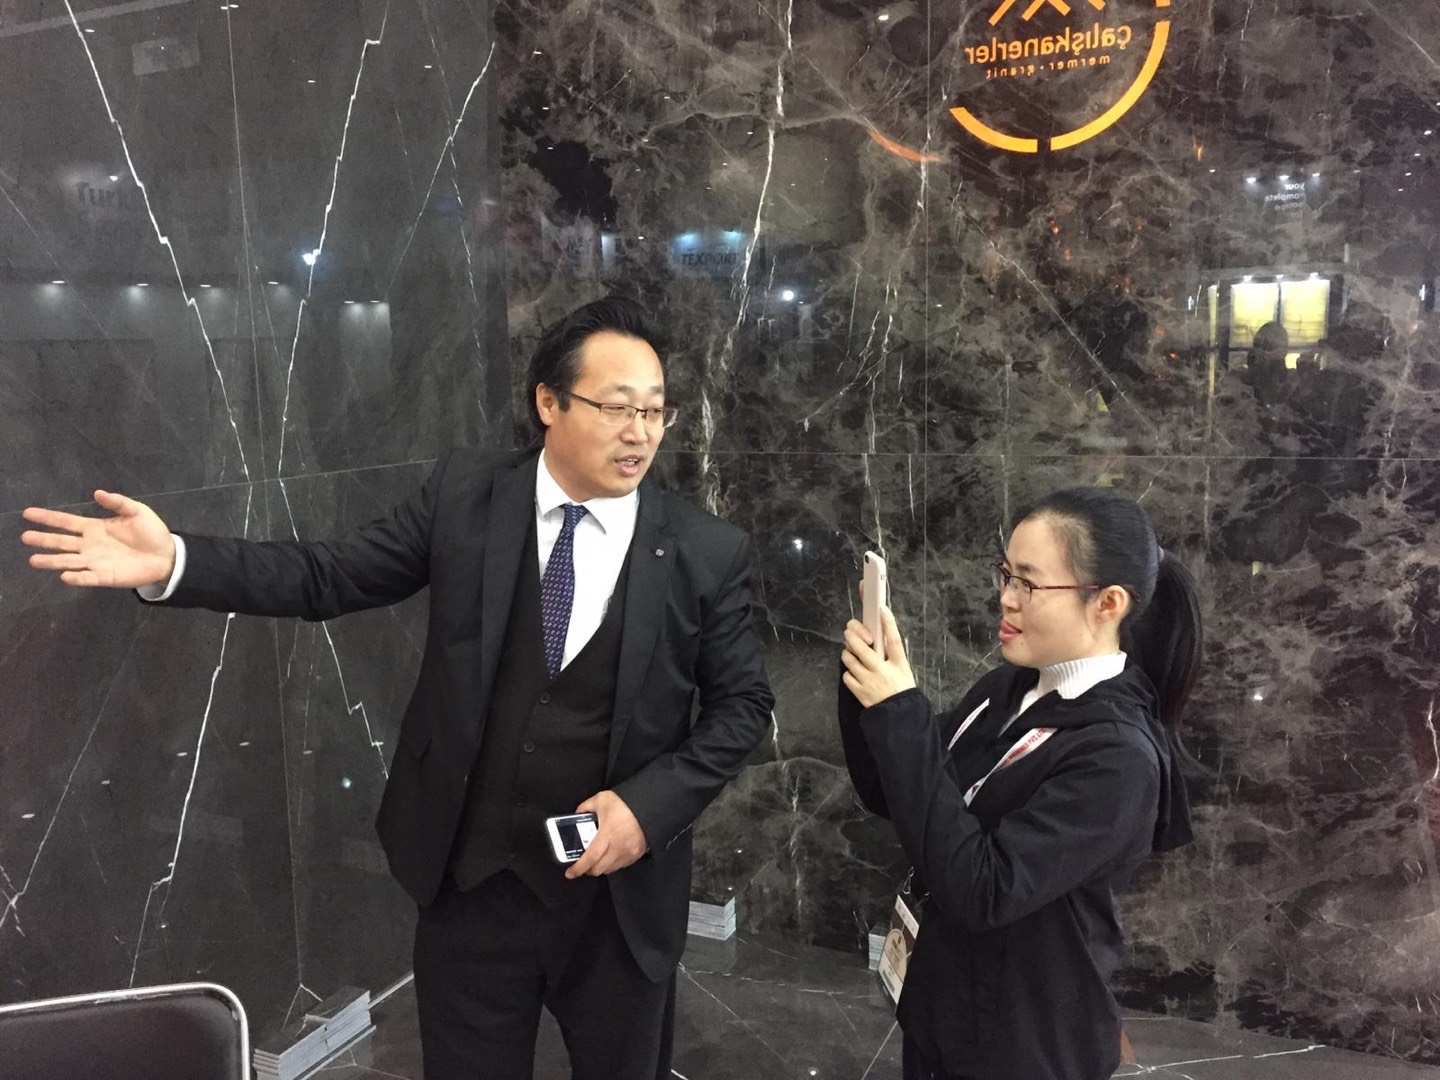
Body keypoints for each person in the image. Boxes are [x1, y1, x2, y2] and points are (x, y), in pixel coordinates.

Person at [20, 296, 775, 1080]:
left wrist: (647, 810)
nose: (640, 433)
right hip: (469, 885)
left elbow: (744, 706)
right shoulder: (466, 497)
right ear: (549, 403)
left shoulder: (703, 550)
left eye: (655, 411)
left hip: (617, 903)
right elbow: (330, 574)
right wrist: (177, 561)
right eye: (617, 408)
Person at [838, 488, 1200, 1080]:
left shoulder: (1118, 756)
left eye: (1028, 584)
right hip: (947, 1003)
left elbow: (984, 888)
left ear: (1107, 602)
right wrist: (868, 691)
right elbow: (898, 793)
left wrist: (900, 712)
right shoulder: (1009, 688)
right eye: (1006, 574)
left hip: (1024, 1039)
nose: (1005, 598)